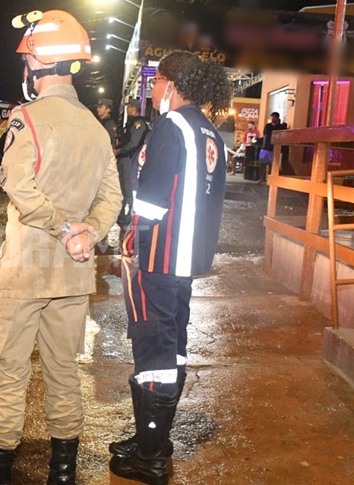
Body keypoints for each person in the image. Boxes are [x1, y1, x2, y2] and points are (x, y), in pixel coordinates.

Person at [0, 9, 122, 485]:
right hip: (74, 277)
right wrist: (88, 231)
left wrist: (62, 226)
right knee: (63, 375)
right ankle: (63, 474)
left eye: (28, 57)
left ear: (37, 60)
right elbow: (113, 198)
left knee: (7, 377)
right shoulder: (97, 129)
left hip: (25, 275)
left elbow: (18, 188)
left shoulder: (28, 119)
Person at [109, 50, 231, 485]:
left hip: (158, 258)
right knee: (172, 345)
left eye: (157, 82)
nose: (154, 91)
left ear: (172, 85)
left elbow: (152, 201)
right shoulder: (209, 131)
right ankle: (153, 441)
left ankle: (149, 458)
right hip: (187, 260)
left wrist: (129, 239)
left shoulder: (170, 127)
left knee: (152, 348)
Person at [114, 100, 150, 226]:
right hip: (125, 158)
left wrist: (118, 151)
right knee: (123, 188)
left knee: (128, 189)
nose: (127, 109)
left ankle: (128, 217)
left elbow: (133, 143)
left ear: (134, 108)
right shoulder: (130, 123)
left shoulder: (138, 123)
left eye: (129, 107)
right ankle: (123, 215)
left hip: (130, 159)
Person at [259, 112, 288, 183]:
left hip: (275, 148)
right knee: (263, 164)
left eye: (274, 117)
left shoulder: (281, 127)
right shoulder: (268, 126)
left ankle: (270, 180)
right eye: (272, 117)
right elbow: (265, 134)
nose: (273, 118)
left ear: (278, 118)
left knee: (273, 165)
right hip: (266, 147)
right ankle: (261, 179)